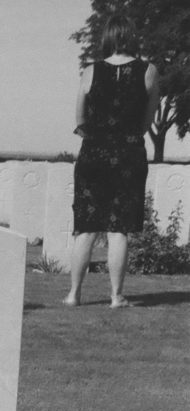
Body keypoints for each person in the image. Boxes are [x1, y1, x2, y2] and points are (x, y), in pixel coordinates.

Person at [64, 16, 160, 308]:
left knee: (87, 227)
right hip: (129, 153)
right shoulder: (149, 71)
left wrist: (96, 136)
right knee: (119, 228)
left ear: (107, 38)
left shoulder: (90, 70)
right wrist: (128, 136)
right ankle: (116, 296)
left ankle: (73, 294)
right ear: (132, 38)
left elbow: (79, 117)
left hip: (94, 153)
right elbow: (147, 119)